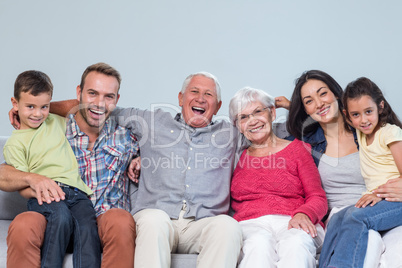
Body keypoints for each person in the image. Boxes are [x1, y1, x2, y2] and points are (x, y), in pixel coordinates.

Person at [0, 63, 138, 268]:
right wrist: (30, 108)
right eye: (92, 93)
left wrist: (140, 159)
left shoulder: (127, 137)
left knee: (120, 220)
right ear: (79, 93)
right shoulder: (56, 126)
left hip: (99, 222)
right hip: (53, 216)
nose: (99, 103)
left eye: (108, 96)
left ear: (117, 100)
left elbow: (162, 154)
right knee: (24, 223)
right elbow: (5, 173)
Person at [282, 69, 402, 268]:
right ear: (304, 109)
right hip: (344, 215)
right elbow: (270, 143)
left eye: (322, 93)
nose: (319, 103)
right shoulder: (306, 144)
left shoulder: (366, 128)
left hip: (382, 206)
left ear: (337, 94)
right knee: (362, 236)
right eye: (309, 101)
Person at [3, 70, 101, 267]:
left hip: (78, 193)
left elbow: (81, 106)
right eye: (30, 106)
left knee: (88, 225)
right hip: (45, 194)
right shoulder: (15, 144)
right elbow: (22, 185)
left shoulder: (55, 121)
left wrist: (50, 106)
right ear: (15, 104)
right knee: (60, 216)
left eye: (44, 107)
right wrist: (45, 192)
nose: (38, 114)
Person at [229, 87, 327, 267]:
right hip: (250, 224)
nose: (253, 121)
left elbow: (317, 196)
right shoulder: (235, 156)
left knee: (296, 243)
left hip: (292, 218)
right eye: (243, 117)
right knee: (257, 245)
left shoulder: (298, 149)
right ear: (238, 126)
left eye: (258, 111)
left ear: (272, 113)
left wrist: (304, 213)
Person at [318, 77, 402, 268]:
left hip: (397, 200)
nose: (363, 120)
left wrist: (378, 194)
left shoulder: (390, 133)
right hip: (381, 199)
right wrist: (292, 106)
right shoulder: (361, 132)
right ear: (347, 115)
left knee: (356, 217)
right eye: (356, 115)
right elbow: (325, 115)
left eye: (368, 112)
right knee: (338, 218)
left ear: (380, 107)